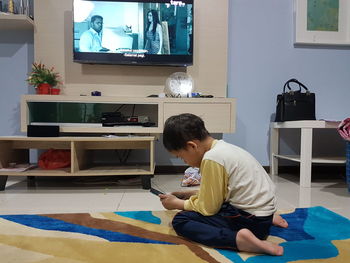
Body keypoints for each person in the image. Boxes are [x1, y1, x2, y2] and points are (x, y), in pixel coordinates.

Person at [159, 113, 288, 256]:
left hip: (250, 222)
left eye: (181, 157)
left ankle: (238, 240)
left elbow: (208, 208)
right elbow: (223, 192)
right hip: (263, 214)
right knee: (219, 204)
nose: (184, 162)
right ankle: (267, 219)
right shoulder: (224, 148)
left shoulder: (211, 159)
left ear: (192, 146)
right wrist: (186, 195)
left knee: (181, 220)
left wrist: (178, 204)